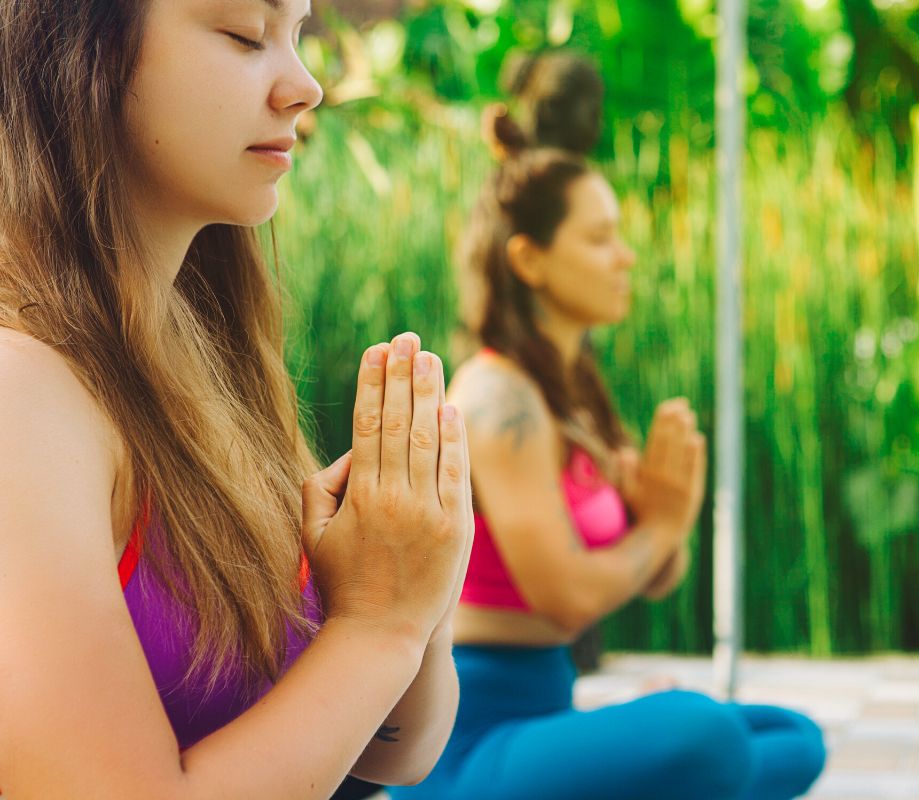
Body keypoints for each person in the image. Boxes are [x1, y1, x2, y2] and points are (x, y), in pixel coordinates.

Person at [0, 1, 471, 797]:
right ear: (79, 51)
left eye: (296, 35)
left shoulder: (211, 353)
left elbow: (389, 755)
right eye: (246, 36)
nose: (306, 85)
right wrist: (379, 625)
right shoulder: (23, 392)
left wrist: (413, 584)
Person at [385, 115, 826, 799]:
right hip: (464, 742)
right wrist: (661, 526)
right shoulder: (499, 397)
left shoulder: (574, 395)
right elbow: (566, 598)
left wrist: (665, 522)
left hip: (547, 711)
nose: (625, 257)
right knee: (701, 735)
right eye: (599, 238)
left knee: (793, 739)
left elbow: (656, 574)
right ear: (529, 260)